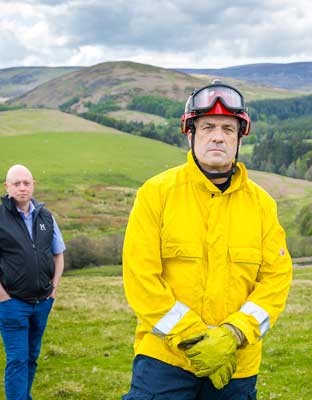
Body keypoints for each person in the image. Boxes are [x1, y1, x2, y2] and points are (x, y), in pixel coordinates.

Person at [122, 80, 293, 400]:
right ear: (190, 133)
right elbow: (140, 278)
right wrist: (191, 336)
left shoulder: (262, 205)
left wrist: (233, 333)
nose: (218, 135)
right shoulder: (156, 194)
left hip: (236, 364)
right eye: (208, 127)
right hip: (165, 361)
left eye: (229, 128)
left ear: (240, 137)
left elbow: (276, 280)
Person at [0, 164, 65, 400]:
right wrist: (4, 299)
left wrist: (53, 289)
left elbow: (58, 254)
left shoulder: (46, 216)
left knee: (32, 356)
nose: (22, 188)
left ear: (33, 185)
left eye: (26, 183)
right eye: (16, 183)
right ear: (7, 187)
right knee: (17, 359)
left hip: (43, 302)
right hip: (13, 304)